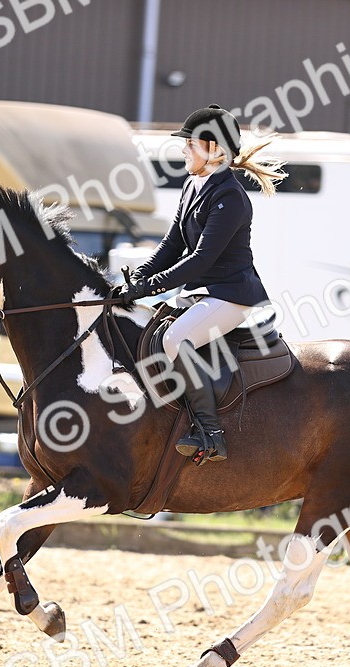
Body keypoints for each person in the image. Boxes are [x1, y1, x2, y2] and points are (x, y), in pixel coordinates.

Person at [118, 104, 286, 463]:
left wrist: (150, 286)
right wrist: (138, 279)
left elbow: (202, 259)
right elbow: (172, 245)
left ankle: (210, 433)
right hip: (201, 294)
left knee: (175, 339)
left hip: (231, 295)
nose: (183, 151)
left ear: (214, 150)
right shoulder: (194, 184)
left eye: (190, 144)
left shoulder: (230, 197)